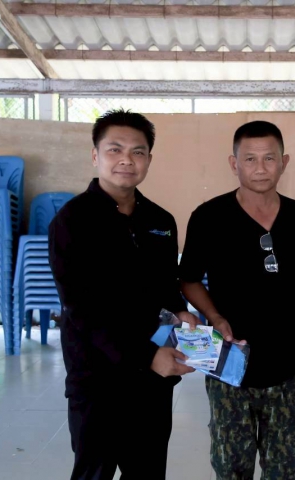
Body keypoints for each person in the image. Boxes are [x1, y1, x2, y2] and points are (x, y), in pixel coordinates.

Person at [48, 108, 200, 480]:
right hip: (96, 377)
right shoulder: (71, 221)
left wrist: (181, 311)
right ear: (95, 155)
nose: (126, 160)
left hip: (152, 381)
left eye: (138, 151)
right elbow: (81, 308)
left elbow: (166, 287)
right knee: (94, 471)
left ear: (149, 159)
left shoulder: (161, 221)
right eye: (115, 149)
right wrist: (146, 356)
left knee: (147, 471)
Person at [178, 120, 295, 480]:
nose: (260, 168)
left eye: (269, 158)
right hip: (230, 363)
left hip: (288, 365)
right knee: (231, 468)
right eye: (250, 159)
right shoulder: (209, 217)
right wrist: (215, 317)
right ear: (234, 164)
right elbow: (188, 280)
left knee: (288, 468)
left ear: (284, 162)